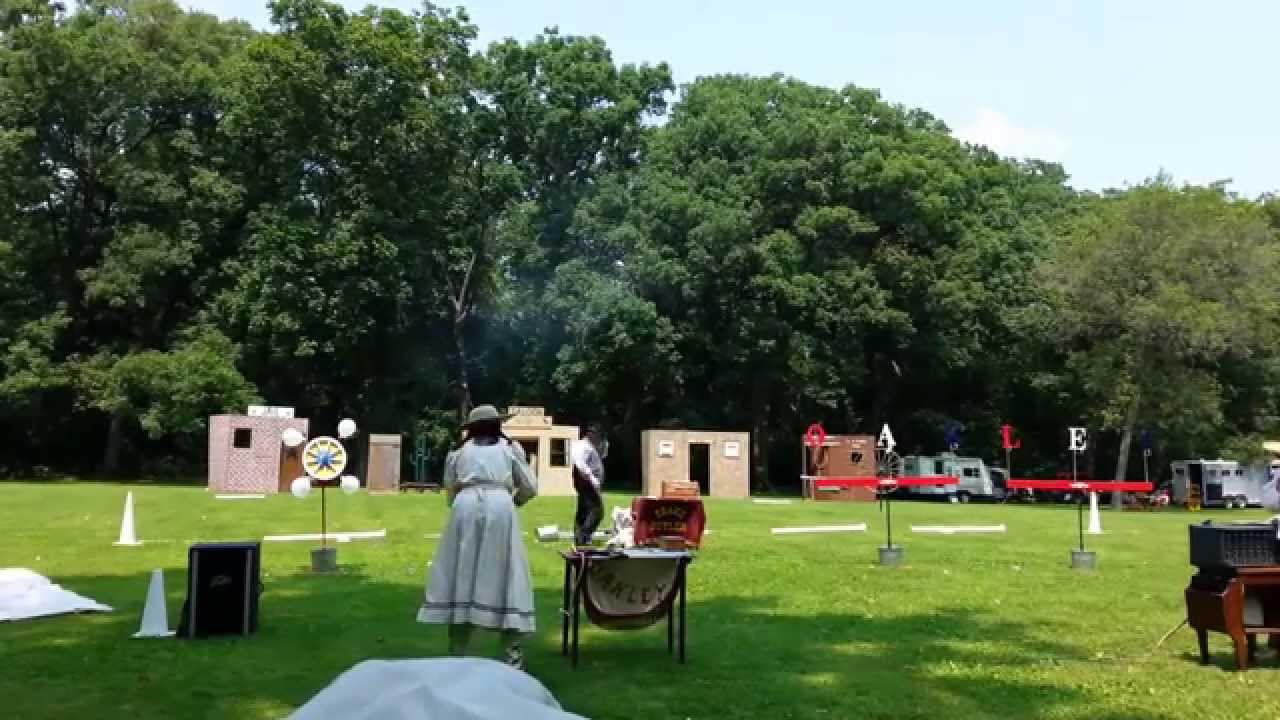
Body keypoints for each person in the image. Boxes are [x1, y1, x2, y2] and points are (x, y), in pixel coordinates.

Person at [418, 405, 537, 669]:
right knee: (507, 573)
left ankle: (457, 655)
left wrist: (464, 501)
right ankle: (511, 659)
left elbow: (450, 492)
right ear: (497, 425)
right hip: (499, 505)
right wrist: (511, 501)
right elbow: (530, 487)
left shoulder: (458, 454)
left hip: (465, 506)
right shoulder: (509, 451)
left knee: (462, 571)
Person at [570, 424, 606, 546]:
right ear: (591, 434)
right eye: (597, 436)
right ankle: (584, 537)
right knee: (597, 510)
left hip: (585, 482)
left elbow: (603, 453)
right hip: (586, 483)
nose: (598, 439)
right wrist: (592, 479)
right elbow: (580, 464)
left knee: (583, 511)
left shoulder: (589, 446)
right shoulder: (583, 446)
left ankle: (579, 538)